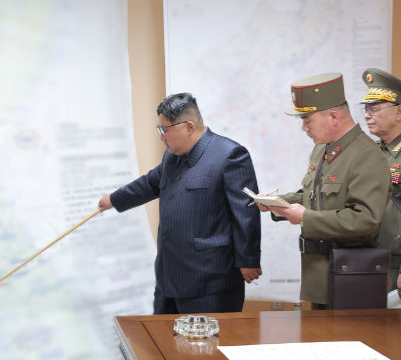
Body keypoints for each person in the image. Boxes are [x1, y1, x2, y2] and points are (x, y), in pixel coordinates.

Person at [98, 92, 262, 314]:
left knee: (208, 337)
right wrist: (113, 199)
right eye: (160, 129)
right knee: (161, 336)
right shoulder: (171, 157)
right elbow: (149, 183)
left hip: (210, 281)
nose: (162, 137)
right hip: (168, 278)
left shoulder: (229, 155)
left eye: (165, 130)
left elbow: (246, 212)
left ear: (189, 127)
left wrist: (248, 259)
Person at [258, 72, 388, 309]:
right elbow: (312, 196)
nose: (304, 128)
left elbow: (365, 219)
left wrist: (305, 218)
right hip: (319, 275)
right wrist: (277, 203)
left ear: (334, 117)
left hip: (351, 275)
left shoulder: (367, 155)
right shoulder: (323, 149)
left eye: (307, 120)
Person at [359, 68, 401, 291]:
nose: (367, 115)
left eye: (374, 109)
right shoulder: (371, 153)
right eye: (366, 109)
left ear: (399, 112)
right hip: (370, 260)